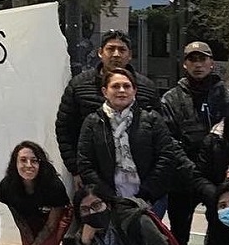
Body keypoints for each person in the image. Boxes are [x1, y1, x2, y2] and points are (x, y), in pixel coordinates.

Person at [54, 29, 159, 188]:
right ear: (100, 53)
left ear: (130, 55)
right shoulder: (79, 85)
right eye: (111, 49)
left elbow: (160, 134)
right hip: (92, 178)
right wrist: (75, 170)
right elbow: (64, 129)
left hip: (141, 178)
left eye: (122, 50)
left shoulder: (147, 88)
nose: (116, 54)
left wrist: (154, 180)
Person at [160, 41, 229, 245]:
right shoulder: (170, 99)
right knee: (178, 239)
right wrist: (193, 175)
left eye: (202, 59)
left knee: (220, 236)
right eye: (192, 59)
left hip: (218, 180)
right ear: (184, 64)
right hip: (183, 179)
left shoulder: (228, 99)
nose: (198, 64)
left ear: (212, 63)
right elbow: (169, 142)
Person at [76, 67, 179, 204]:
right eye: (115, 86)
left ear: (134, 91)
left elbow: (166, 156)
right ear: (105, 92)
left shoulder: (152, 119)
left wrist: (146, 193)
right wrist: (107, 195)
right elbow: (85, 163)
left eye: (126, 86)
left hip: (150, 198)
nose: (122, 90)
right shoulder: (93, 122)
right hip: (107, 199)